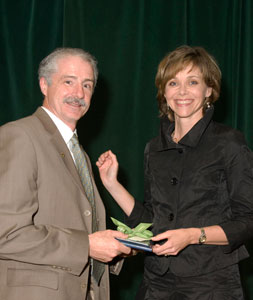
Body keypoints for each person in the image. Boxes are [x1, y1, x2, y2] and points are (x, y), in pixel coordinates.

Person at [96, 45, 253, 299]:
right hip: (156, 283)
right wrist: (112, 184)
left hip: (212, 285)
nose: (182, 92)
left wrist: (192, 236)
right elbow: (152, 221)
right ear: (163, 92)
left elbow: (247, 221)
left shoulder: (229, 143)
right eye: (173, 83)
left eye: (193, 82)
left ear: (209, 90)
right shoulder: (154, 148)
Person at [0, 47, 131, 300]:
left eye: (87, 85)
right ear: (44, 85)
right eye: (68, 82)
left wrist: (116, 248)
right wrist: (88, 246)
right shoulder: (20, 136)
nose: (78, 94)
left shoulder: (77, 151)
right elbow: (6, 233)